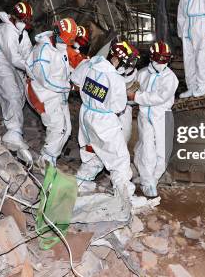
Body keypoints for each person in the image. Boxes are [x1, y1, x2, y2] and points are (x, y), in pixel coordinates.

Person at [72, 41, 138, 197]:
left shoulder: (89, 64)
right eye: (125, 64)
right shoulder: (115, 79)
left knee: (92, 150)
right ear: (118, 60)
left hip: (86, 114)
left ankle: (81, 182)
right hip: (104, 121)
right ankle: (124, 195)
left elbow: (75, 79)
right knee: (119, 158)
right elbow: (118, 107)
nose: (125, 67)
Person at [129, 41, 178, 197]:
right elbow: (133, 89)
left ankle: (153, 178)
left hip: (162, 116)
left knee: (162, 152)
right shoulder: (142, 74)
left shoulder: (171, 78)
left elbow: (159, 97)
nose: (162, 63)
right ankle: (148, 182)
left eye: (165, 60)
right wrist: (128, 96)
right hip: (145, 116)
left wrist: (136, 96)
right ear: (152, 58)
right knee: (146, 149)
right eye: (159, 60)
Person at [26, 17, 77, 167]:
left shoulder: (60, 47)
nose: (66, 44)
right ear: (56, 33)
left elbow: (64, 68)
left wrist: (76, 76)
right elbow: (45, 80)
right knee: (57, 128)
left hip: (58, 94)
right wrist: (70, 86)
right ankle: (45, 162)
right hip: (42, 94)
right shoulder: (42, 50)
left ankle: (51, 157)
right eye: (65, 40)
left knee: (66, 130)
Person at [0, 1, 34, 162]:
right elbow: (13, 57)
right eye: (23, 19)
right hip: (0, 63)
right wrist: (29, 69)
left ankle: (12, 123)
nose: (25, 23)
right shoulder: (6, 30)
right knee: (12, 95)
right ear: (14, 17)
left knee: (21, 94)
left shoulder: (22, 33)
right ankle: (12, 133)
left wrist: (33, 65)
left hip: (14, 65)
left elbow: (27, 52)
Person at [118, 44, 140, 145]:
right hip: (110, 110)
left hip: (126, 108)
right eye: (132, 60)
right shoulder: (111, 71)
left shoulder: (135, 74)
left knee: (125, 134)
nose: (133, 63)